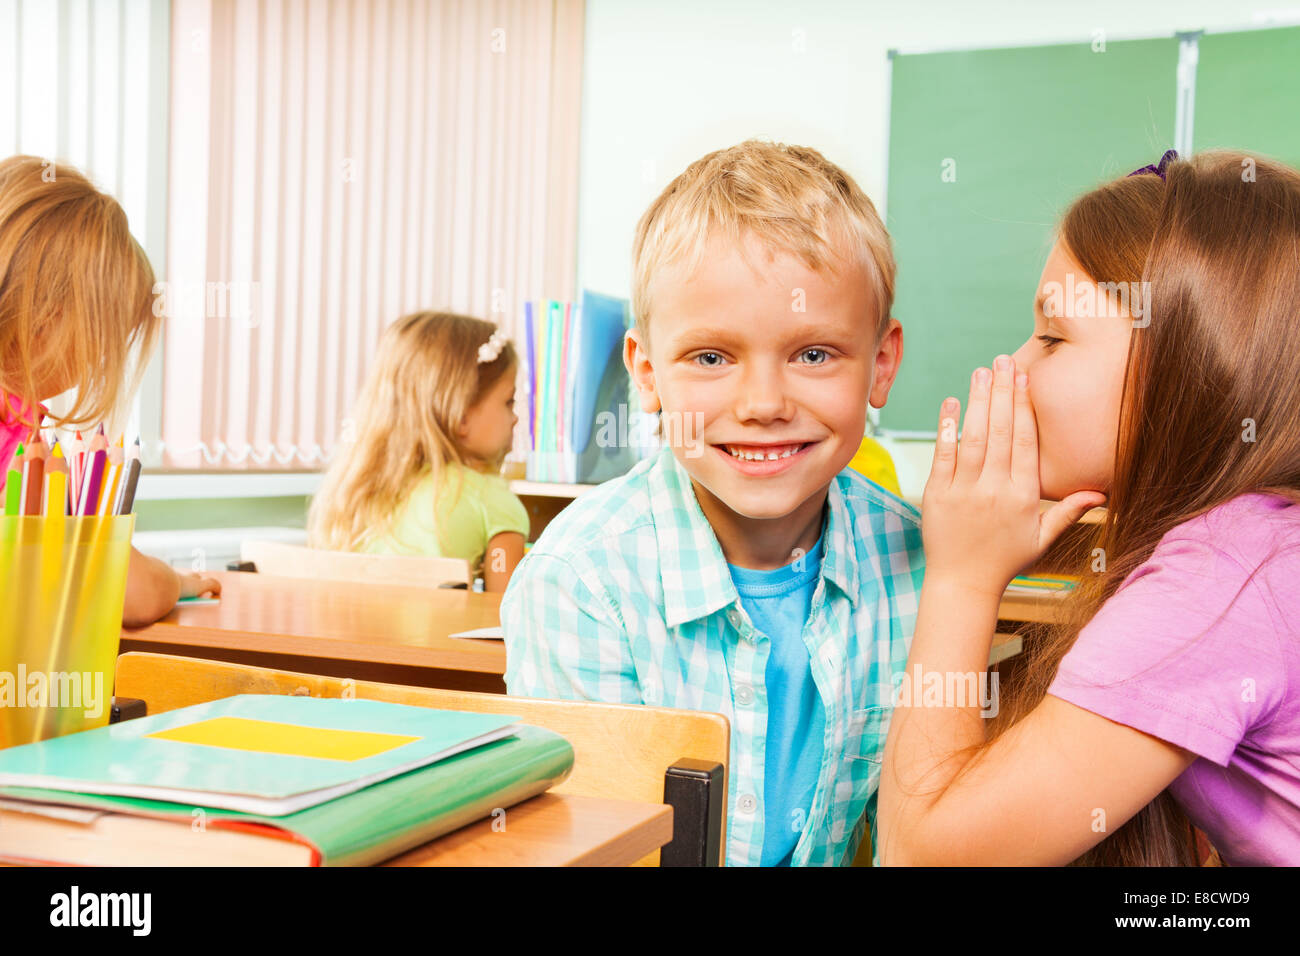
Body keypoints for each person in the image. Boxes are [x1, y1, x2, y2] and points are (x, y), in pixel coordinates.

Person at [502, 140, 924, 866]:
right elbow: (594, 851)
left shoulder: (916, 562)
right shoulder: (580, 582)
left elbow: (917, 837)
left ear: (880, 364)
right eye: (711, 358)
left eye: (814, 354)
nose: (763, 404)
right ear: (647, 372)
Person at [879, 150, 1300, 866]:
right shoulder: (1260, 543)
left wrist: (961, 579)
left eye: (1052, 337)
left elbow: (924, 855)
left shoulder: (1224, 577)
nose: (1011, 364)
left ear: (1190, 364)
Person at [308, 311, 529, 592]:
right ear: (461, 416)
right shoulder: (494, 502)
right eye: (509, 402)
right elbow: (506, 620)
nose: (515, 418)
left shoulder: (355, 497)